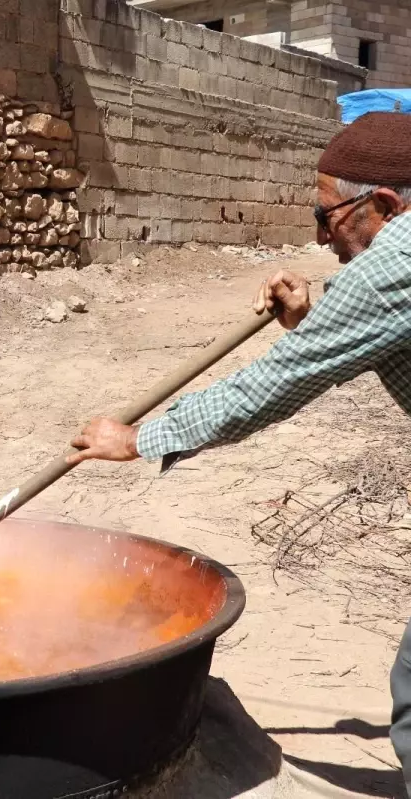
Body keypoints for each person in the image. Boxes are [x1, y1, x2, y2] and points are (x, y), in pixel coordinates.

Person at [66, 111, 411, 787]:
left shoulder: (395, 261)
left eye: (326, 217)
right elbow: (372, 334)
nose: (320, 237)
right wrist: (315, 321)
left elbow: (275, 384)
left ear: (384, 204)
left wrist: (140, 437)